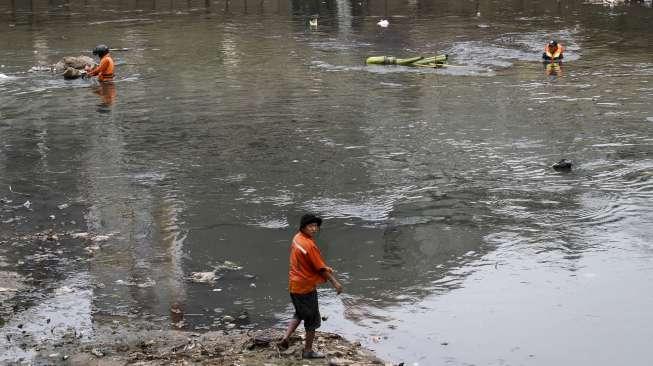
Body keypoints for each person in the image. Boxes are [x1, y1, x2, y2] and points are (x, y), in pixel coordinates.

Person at [278, 213, 343, 359]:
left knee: (300, 312)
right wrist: (335, 283)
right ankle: (308, 351)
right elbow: (320, 268)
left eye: (316, 226)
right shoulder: (310, 245)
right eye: (311, 226)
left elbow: (309, 263)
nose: (314, 229)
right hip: (305, 288)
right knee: (312, 320)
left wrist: (323, 267)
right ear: (303, 227)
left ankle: (286, 338)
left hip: (294, 285)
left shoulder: (297, 239)